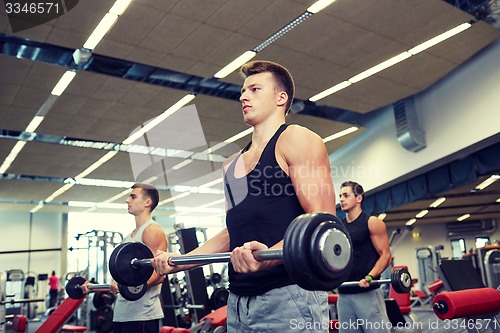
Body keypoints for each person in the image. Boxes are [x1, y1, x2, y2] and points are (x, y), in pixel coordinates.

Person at [151, 60, 336, 333]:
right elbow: (233, 232)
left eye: (254, 89)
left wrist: (267, 256)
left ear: (280, 98)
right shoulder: (231, 165)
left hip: (289, 295)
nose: (243, 96)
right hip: (238, 301)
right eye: (243, 91)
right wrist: (182, 261)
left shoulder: (297, 139)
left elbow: (322, 224)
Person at [84, 183, 167, 333]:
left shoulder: (152, 230)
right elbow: (125, 277)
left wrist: (127, 287)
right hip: (122, 314)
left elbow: (159, 273)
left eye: (133, 196)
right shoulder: (130, 236)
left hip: (142, 315)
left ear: (147, 202)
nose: (127, 200)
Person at [336, 181, 392, 333]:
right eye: (340, 196)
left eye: (346, 195)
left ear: (359, 198)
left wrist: (369, 277)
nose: (341, 199)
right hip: (344, 294)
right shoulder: (338, 227)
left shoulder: (371, 222)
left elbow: (386, 255)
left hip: (367, 292)